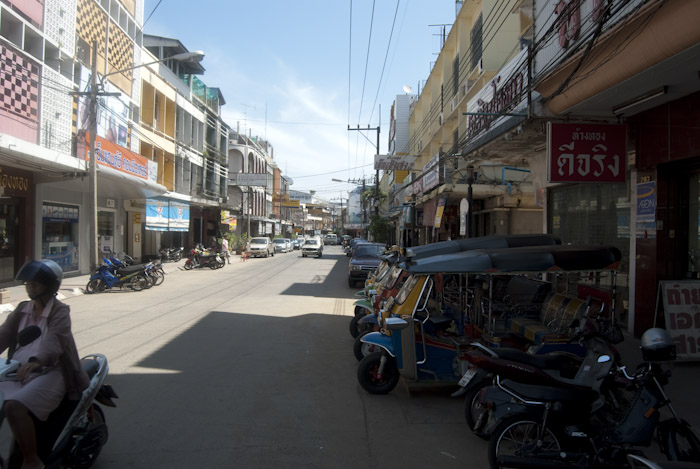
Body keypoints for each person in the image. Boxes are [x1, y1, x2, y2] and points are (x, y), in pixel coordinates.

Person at [0, 260, 89, 469]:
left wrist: (37, 360)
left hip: (53, 372)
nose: (30, 287)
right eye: (28, 283)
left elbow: (55, 340)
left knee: (14, 407)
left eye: (36, 283)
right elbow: (4, 334)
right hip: (18, 370)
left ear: (50, 285)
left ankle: (32, 460)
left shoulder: (60, 311)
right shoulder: (23, 309)